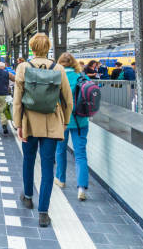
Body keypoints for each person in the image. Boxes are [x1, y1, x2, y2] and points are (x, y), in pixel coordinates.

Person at [13, 33, 73, 227]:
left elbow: (17, 101)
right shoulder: (59, 69)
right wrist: (64, 123)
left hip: (29, 122)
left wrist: (18, 124)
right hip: (52, 123)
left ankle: (28, 196)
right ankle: (43, 213)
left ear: (32, 48)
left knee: (28, 160)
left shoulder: (23, 67)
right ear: (48, 48)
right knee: (48, 168)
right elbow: (68, 100)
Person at [54, 52, 89, 201]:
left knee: (60, 150)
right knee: (80, 155)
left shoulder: (56, 76)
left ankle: (61, 179)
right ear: (74, 63)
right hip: (81, 121)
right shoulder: (82, 77)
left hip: (61, 120)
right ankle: (81, 187)